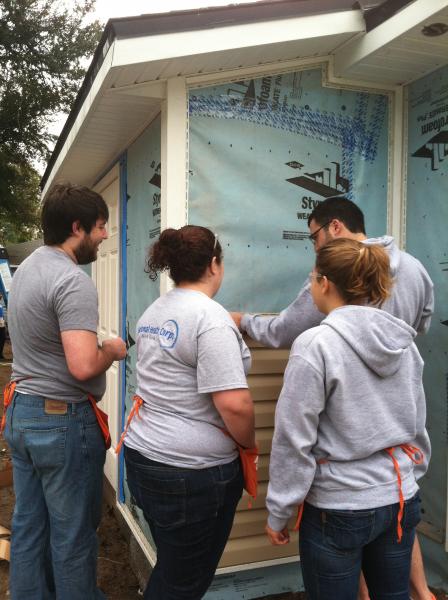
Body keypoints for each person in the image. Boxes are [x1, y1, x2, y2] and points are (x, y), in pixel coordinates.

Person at [231, 196, 434, 600]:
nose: (309, 285)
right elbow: (416, 422)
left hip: (340, 508)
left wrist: (280, 511)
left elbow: (294, 439)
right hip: (398, 496)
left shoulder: (316, 345)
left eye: (311, 279)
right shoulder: (405, 343)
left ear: (325, 284)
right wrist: (409, 476)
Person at [3, 184, 127, 600]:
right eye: (100, 226)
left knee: (29, 525)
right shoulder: (72, 281)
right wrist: (110, 350)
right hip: (61, 423)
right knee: (72, 536)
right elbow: (82, 366)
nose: (105, 235)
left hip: (23, 412)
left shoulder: (28, 270)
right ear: (78, 227)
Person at [119, 225, 255, 600]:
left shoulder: (155, 311)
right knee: (184, 582)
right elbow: (234, 404)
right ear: (215, 265)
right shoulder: (210, 319)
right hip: (190, 475)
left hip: (145, 457)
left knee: (175, 564)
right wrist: (250, 445)